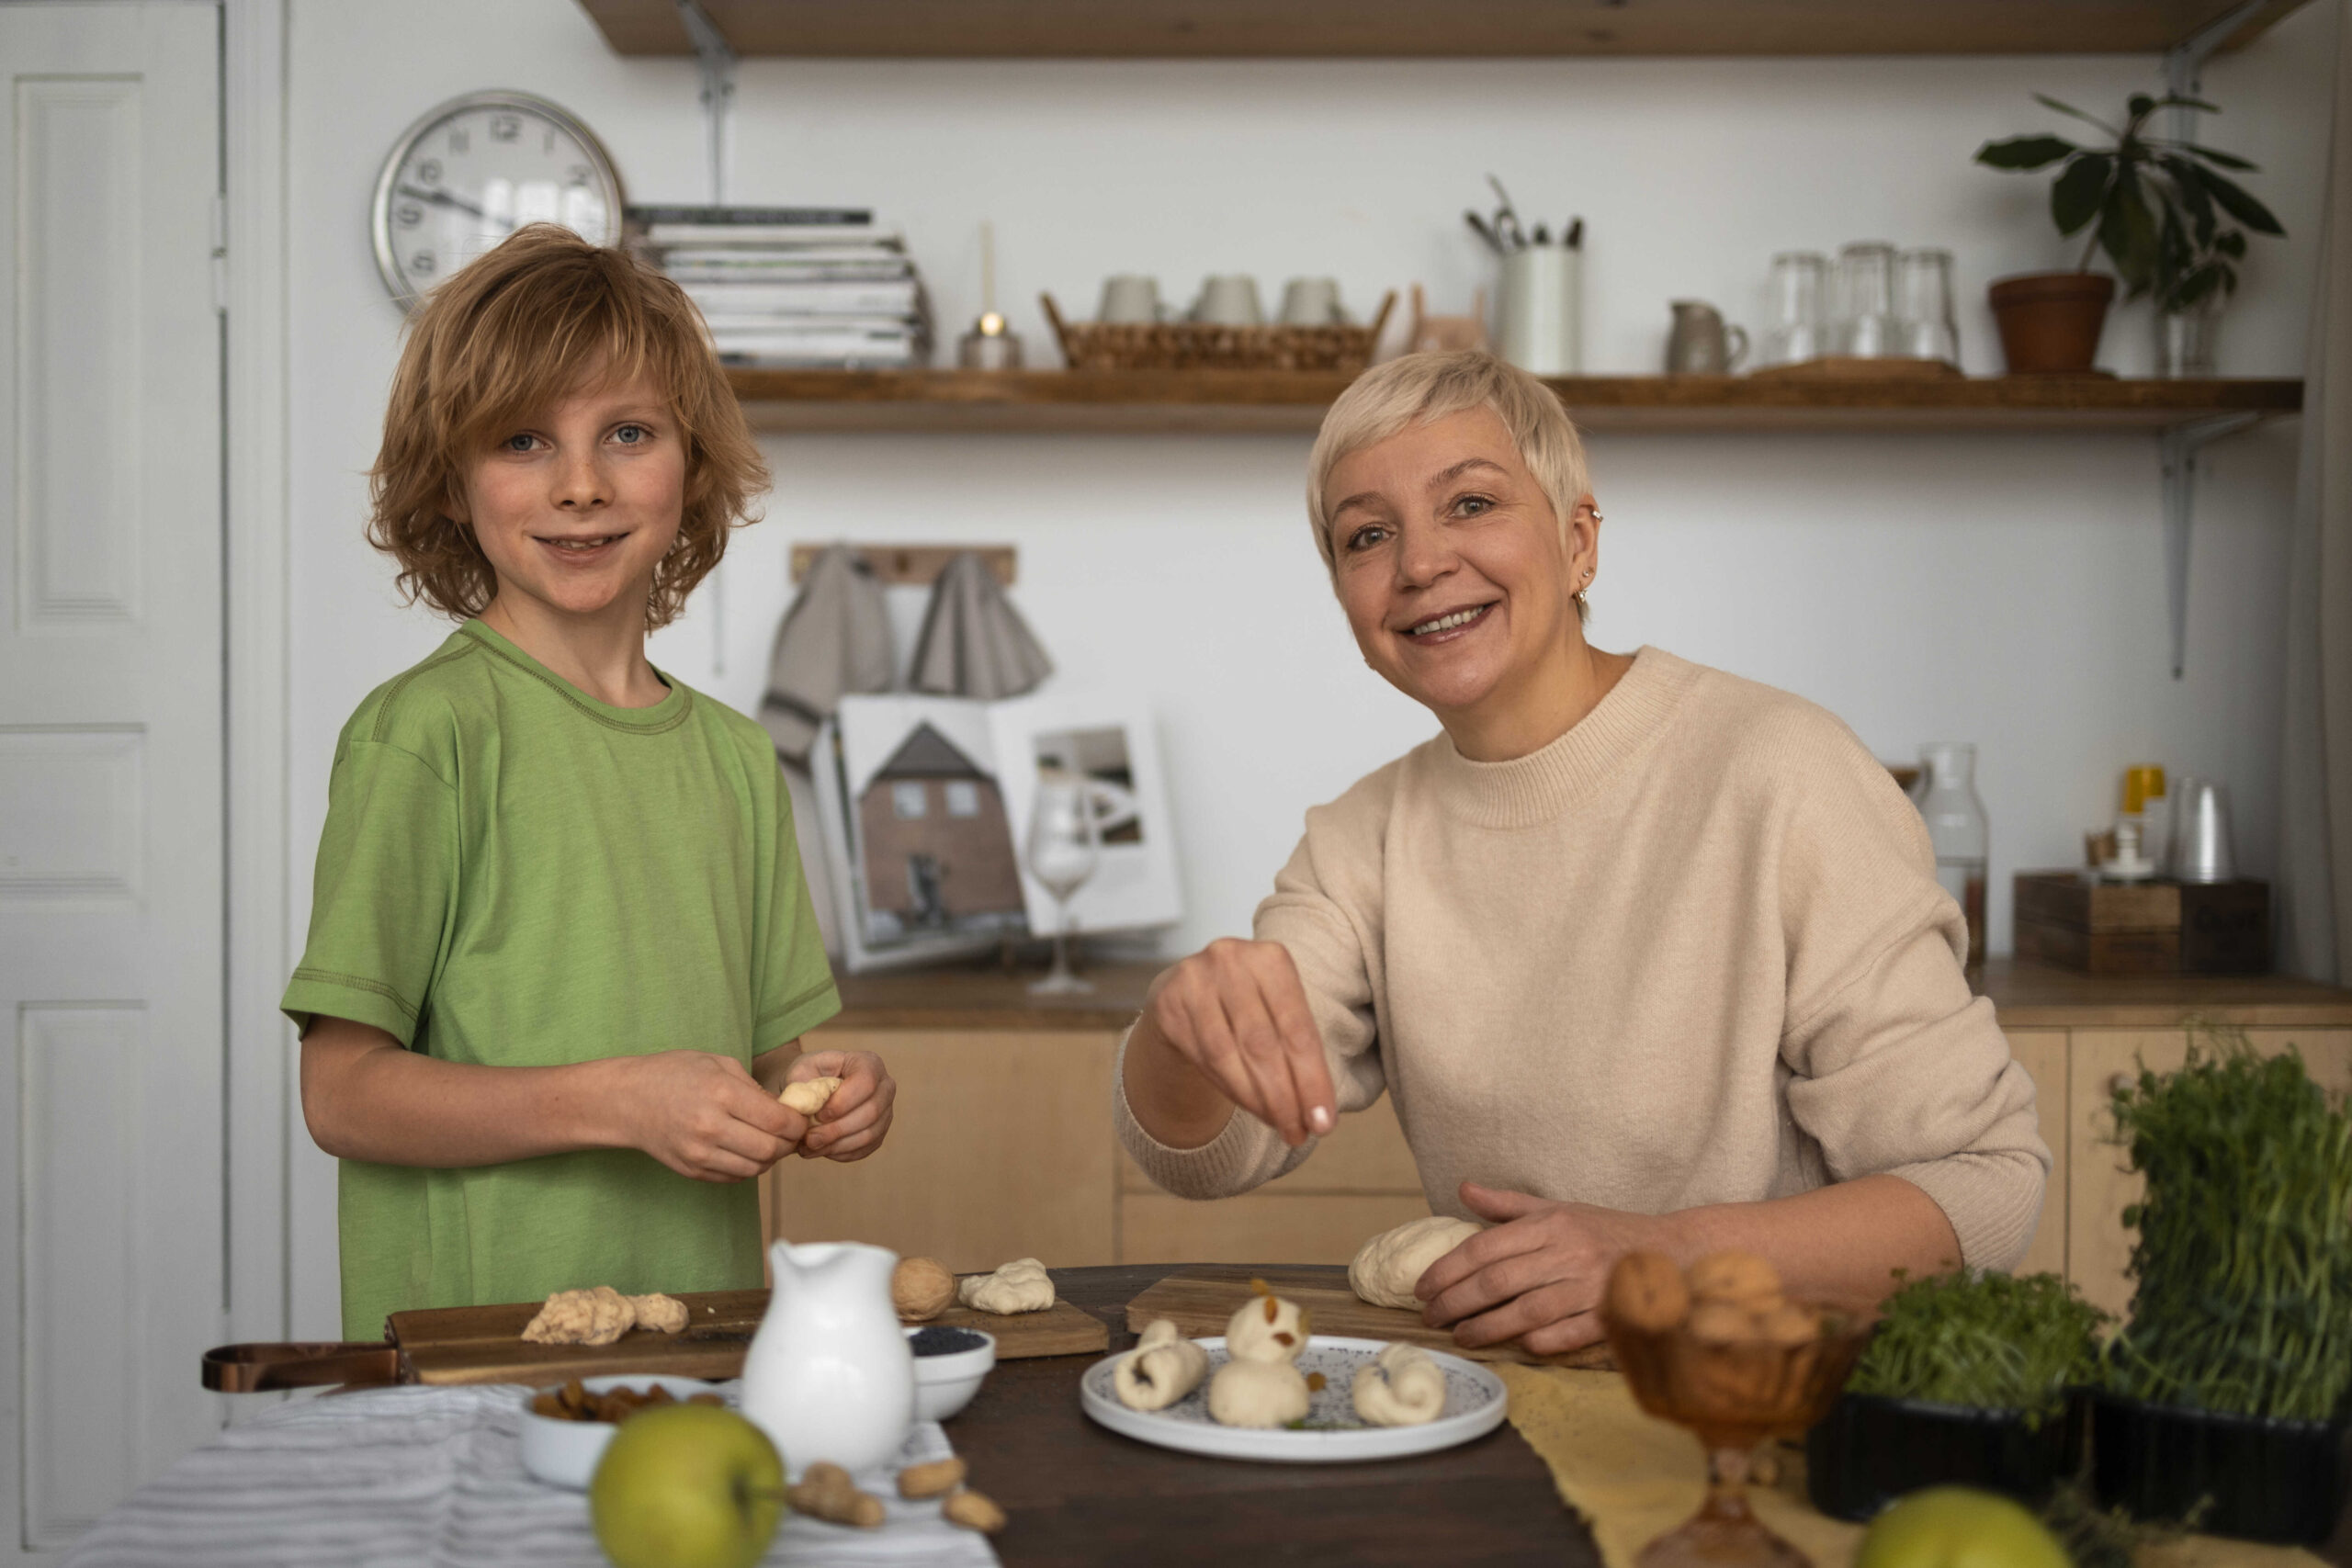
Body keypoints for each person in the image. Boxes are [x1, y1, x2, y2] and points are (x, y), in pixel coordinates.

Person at [1117, 350, 2047, 1357]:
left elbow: (1984, 1188)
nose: (1420, 563)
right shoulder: (1360, 842)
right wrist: (1181, 1030)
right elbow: (1208, 1156)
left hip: (1767, 1414)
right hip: (1509, 1416)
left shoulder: (1781, 772)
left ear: (1576, 542)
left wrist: (1670, 1259)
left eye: (1469, 504)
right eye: (1367, 535)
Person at [288, 225, 891, 1340]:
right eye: (523, 440)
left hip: (700, 1336)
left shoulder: (734, 759)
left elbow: (770, 1058)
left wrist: (830, 1092)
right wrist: (620, 1102)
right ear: (449, 479)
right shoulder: (425, 736)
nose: (580, 485)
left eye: (627, 432)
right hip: (474, 1355)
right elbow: (342, 1093)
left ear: (691, 466)